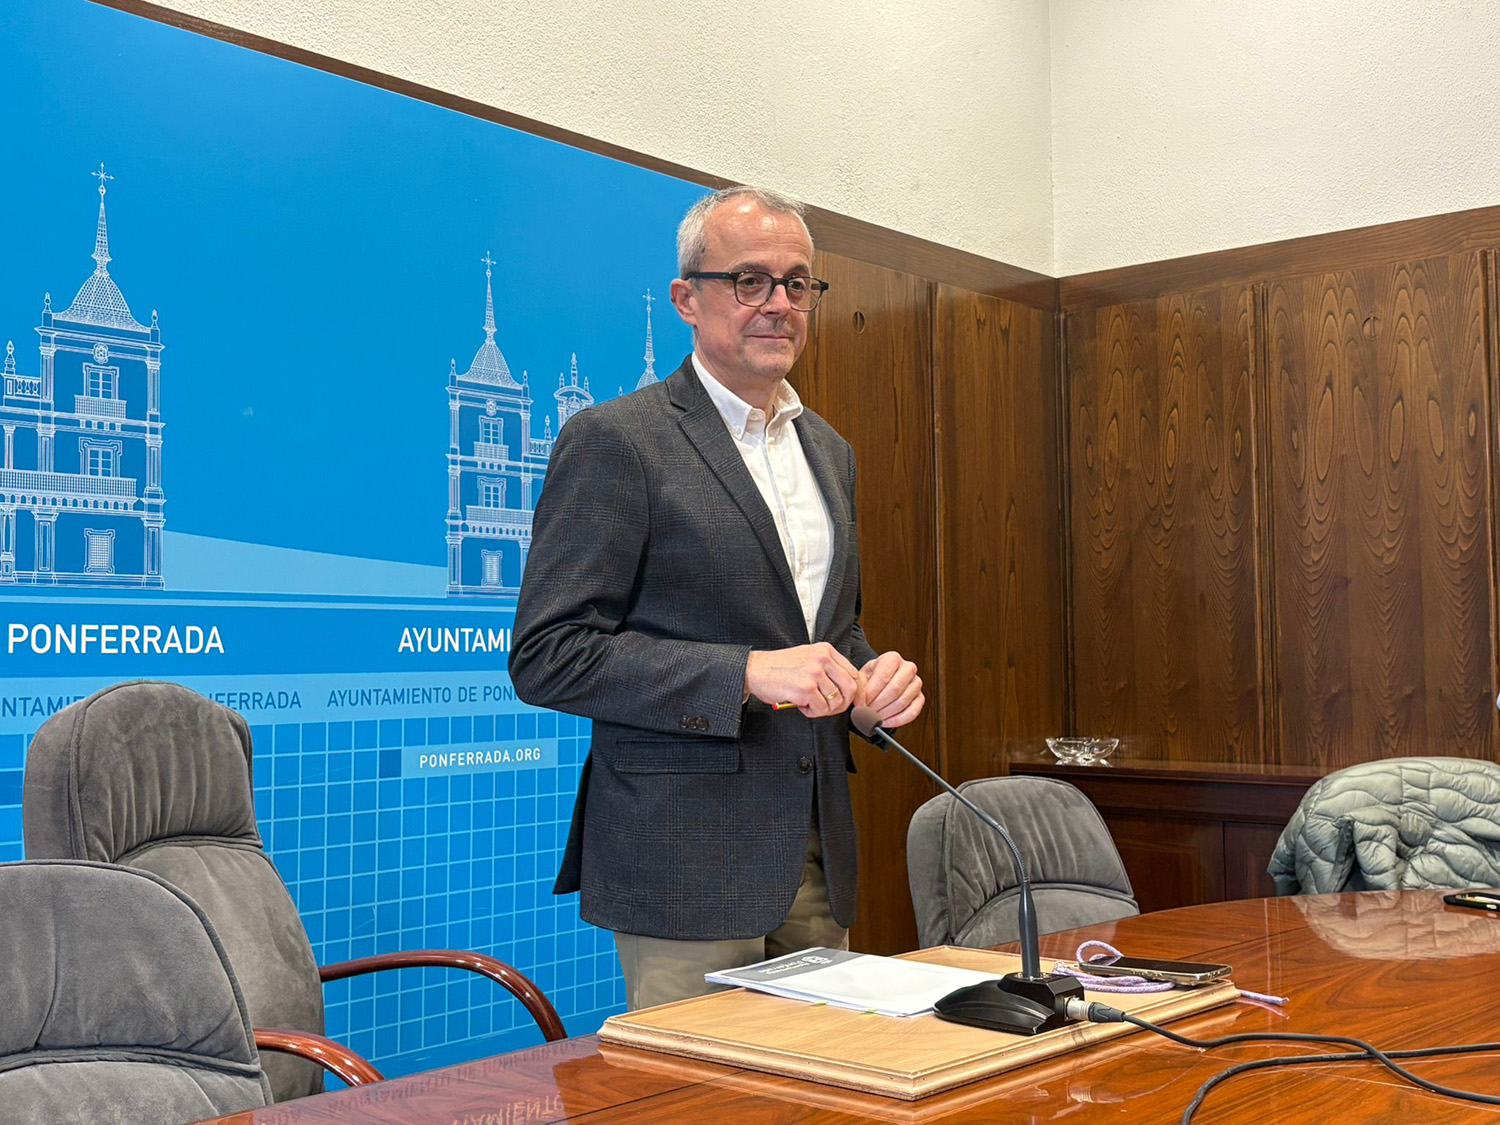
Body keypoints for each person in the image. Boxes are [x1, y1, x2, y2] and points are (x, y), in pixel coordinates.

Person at [509, 185, 924, 1010]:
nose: (778, 304)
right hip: (682, 859)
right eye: (749, 281)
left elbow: (827, 631)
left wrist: (868, 685)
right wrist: (747, 673)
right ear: (686, 300)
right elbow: (549, 655)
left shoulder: (829, 451)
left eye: (798, 283)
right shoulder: (617, 440)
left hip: (812, 849)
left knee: (821, 1095)